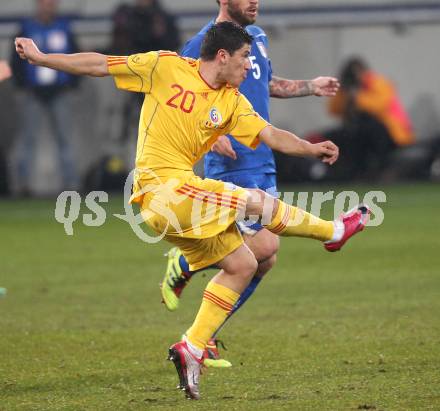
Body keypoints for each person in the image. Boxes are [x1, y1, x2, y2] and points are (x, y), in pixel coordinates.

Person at [15, 21, 370, 400]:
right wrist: (41, 58)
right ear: (222, 56)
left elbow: (270, 134)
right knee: (255, 201)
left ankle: (193, 346)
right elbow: (100, 64)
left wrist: (311, 148)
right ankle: (332, 232)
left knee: (243, 265)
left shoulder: (231, 101)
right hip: (160, 190)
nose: (248, 66)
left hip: (176, 202)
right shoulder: (165, 66)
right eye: (244, 58)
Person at [159, 0, 340, 365]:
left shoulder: (255, 37)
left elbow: (264, 83)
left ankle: (203, 334)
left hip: (262, 156)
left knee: (265, 258)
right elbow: (180, 97)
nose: (255, 1)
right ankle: (187, 265)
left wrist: (309, 86)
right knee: (262, 246)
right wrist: (209, 136)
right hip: (233, 162)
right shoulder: (203, 43)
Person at [10, 0, 80, 195]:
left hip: (60, 91)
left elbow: (77, 55)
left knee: (65, 139)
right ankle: (22, 185)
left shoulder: (64, 27)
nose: (47, 7)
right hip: (33, 92)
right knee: (27, 139)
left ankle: (71, 184)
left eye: (51, 3)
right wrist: (21, 86)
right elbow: (15, 59)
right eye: (44, 3)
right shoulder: (26, 28)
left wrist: (72, 85)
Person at [326, 57, 415, 179]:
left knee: (371, 129)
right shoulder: (347, 90)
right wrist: (344, 91)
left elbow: (378, 106)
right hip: (362, 132)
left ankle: (380, 172)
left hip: (392, 132)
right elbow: (333, 109)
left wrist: (357, 96)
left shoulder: (379, 82)